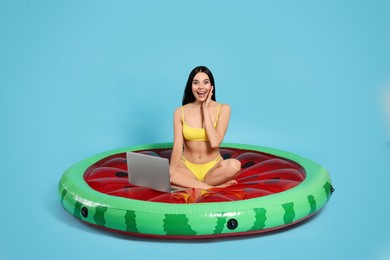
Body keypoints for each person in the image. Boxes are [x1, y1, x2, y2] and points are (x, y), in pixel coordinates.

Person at [169, 66, 241, 189]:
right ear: (190, 86)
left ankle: (191, 185)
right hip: (187, 168)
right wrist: (170, 172)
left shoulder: (223, 109)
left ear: (211, 86)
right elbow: (177, 148)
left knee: (234, 166)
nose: (201, 87)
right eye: (196, 83)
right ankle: (211, 187)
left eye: (205, 82)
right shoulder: (179, 112)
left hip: (213, 169)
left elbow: (214, 142)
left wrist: (205, 110)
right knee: (165, 173)